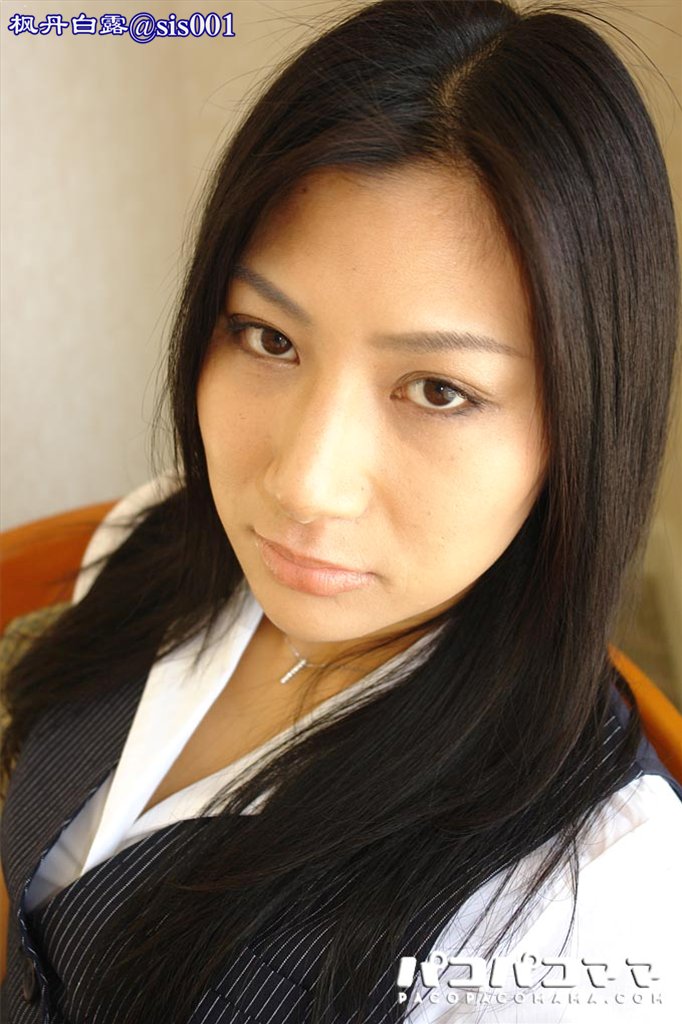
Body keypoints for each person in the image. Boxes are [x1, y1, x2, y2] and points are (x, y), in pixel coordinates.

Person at [1, 0, 681, 1021]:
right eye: (268, 338)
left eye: (439, 390)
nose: (304, 485)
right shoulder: (155, 543)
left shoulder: (584, 912)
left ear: (582, 428)